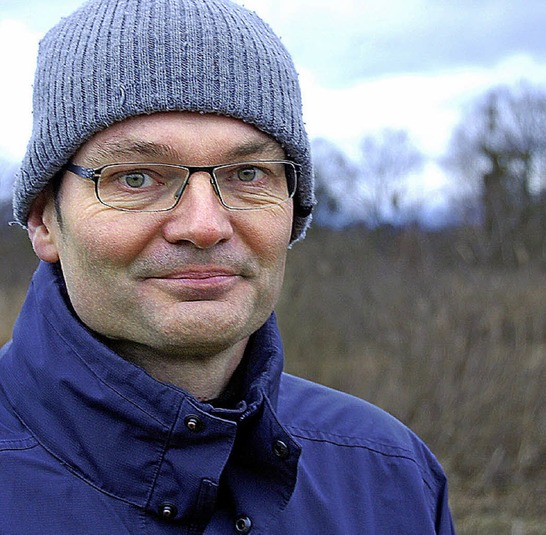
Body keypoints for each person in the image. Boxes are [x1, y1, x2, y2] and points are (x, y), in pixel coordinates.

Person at [0, 0, 455, 533]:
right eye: (137, 178)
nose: (204, 225)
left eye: (247, 173)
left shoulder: (387, 476)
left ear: (293, 210)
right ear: (43, 221)